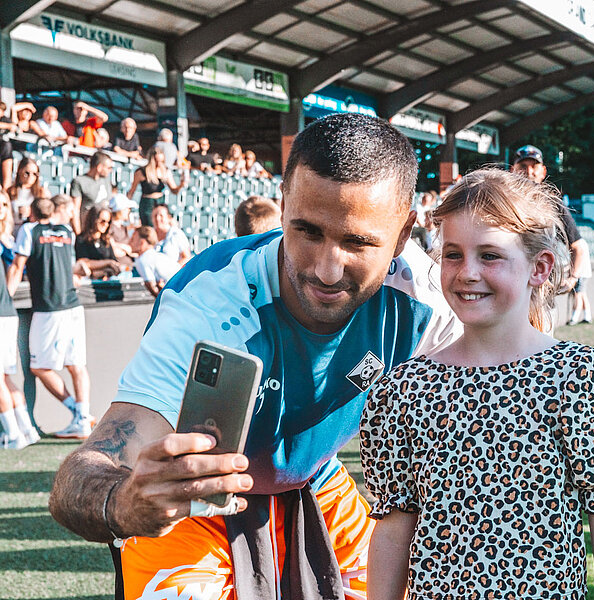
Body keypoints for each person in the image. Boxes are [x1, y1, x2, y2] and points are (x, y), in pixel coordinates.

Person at [47, 113, 462, 600]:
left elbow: (510, 367)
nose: (328, 270)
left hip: (315, 476)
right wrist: (123, 502)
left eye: (358, 243)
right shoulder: (210, 304)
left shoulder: (424, 297)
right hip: (197, 497)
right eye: (306, 231)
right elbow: (80, 473)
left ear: (403, 231)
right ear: (283, 206)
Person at [361, 168, 594, 599]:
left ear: (540, 267)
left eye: (489, 255)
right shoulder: (403, 389)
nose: (467, 272)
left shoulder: (578, 377)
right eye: (452, 254)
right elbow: (394, 528)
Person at [7, 195, 94, 439]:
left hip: (49, 309)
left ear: (33, 214)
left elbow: (17, 267)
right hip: (73, 306)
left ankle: (78, 413)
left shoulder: (29, 230)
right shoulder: (67, 231)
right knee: (77, 365)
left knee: (40, 367)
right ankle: (83, 418)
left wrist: (6, 299)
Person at [510, 145, 588, 309]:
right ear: (512, 170)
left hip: (541, 292)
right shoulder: (504, 202)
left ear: (543, 171)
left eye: (534, 166)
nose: (529, 171)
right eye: (522, 166)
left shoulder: (552, 203)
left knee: (540, 331)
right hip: (510, 287)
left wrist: (572, 279)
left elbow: (578, 246)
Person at [0, 189, 37, 449]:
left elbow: (16, 267)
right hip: (6, 312)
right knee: (5, 377)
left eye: (3, 204)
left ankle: (13, 435)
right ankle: (26, 429)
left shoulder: (6, 239)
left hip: (3, 313)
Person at [127, 147, 186, 226]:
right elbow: (132, 191)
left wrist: (181, 185)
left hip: (160, 201)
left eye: (161, 161)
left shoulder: (165, 171)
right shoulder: (141, 172)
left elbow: (174, 190)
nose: (159, 163)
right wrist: (127, 206)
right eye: (157, 161)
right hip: (147, 203)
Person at [74, 206, 122, 280]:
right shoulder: (82, 239)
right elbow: (83, 262)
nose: (106, 224)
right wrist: (107, 263)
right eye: (103, 221)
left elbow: (114, 261)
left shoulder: (106, 240)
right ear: (94, 220)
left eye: (108, 222)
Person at [130, 225, 178, 298]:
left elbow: (151, 285)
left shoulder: (143, 259)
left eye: (133, 239)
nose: (130, 242)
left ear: (142, 243)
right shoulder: (155, 256)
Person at [70, 151, 114, 230]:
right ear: (99, 167)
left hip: (102, 229)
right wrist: (78, 233)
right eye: (108, 168)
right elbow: (75, 210)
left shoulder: (106, 182)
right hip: (86, 229)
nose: (110, 170)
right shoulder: (79, 181)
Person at [8, 157, 50, 226]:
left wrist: (31, 212)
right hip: (14, 227)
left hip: (33, 228)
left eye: (34, 174)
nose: (30, 176)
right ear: (19, 172)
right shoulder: (11, 191)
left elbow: (47, 216)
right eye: (27, 173)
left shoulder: (42, 192)